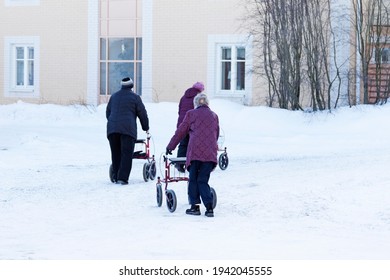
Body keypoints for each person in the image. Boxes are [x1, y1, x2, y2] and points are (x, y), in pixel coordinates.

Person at [166, 93, 219, 217]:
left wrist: (170, 147)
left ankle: (194, 207)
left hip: (195, 153)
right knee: (203, 180)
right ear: (207, 103)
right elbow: (215, 134)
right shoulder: (214, 116)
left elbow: (181, 132)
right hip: (210, 154)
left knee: (193, 179)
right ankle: (209, 208)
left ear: (195, 104)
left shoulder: (191, 114)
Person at [106, 77, 149, 185]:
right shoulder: (135, 97)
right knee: (126, 154)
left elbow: (108, 112)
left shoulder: (114, 96)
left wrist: (114, 123)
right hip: (127, 130)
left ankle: (116, 176)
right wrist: (146, 127)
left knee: (115, 153)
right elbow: (142, 114)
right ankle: (122, 178)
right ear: (131, 86)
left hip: (112, 129)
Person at [175, 82, 205, 172]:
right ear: (200, 90)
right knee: (194, 144)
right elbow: (201, 111)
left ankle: (179, 164)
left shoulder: (183, 97)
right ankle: (193, 164)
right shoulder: (199, 98)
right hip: (193, 123)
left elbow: (179, 111)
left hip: (182, 123)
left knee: (183, 143)